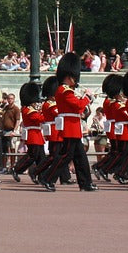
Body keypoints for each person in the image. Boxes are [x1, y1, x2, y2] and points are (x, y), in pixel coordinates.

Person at [35, 53, 96, 191]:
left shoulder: (66, 90)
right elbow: (78, 106)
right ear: (68, 77)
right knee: (65, 157)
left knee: (80, 158)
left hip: (73, 127)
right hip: (69, 127)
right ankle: (47, 178)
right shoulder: (64, 90)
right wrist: (88, 98)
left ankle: (85, 183)